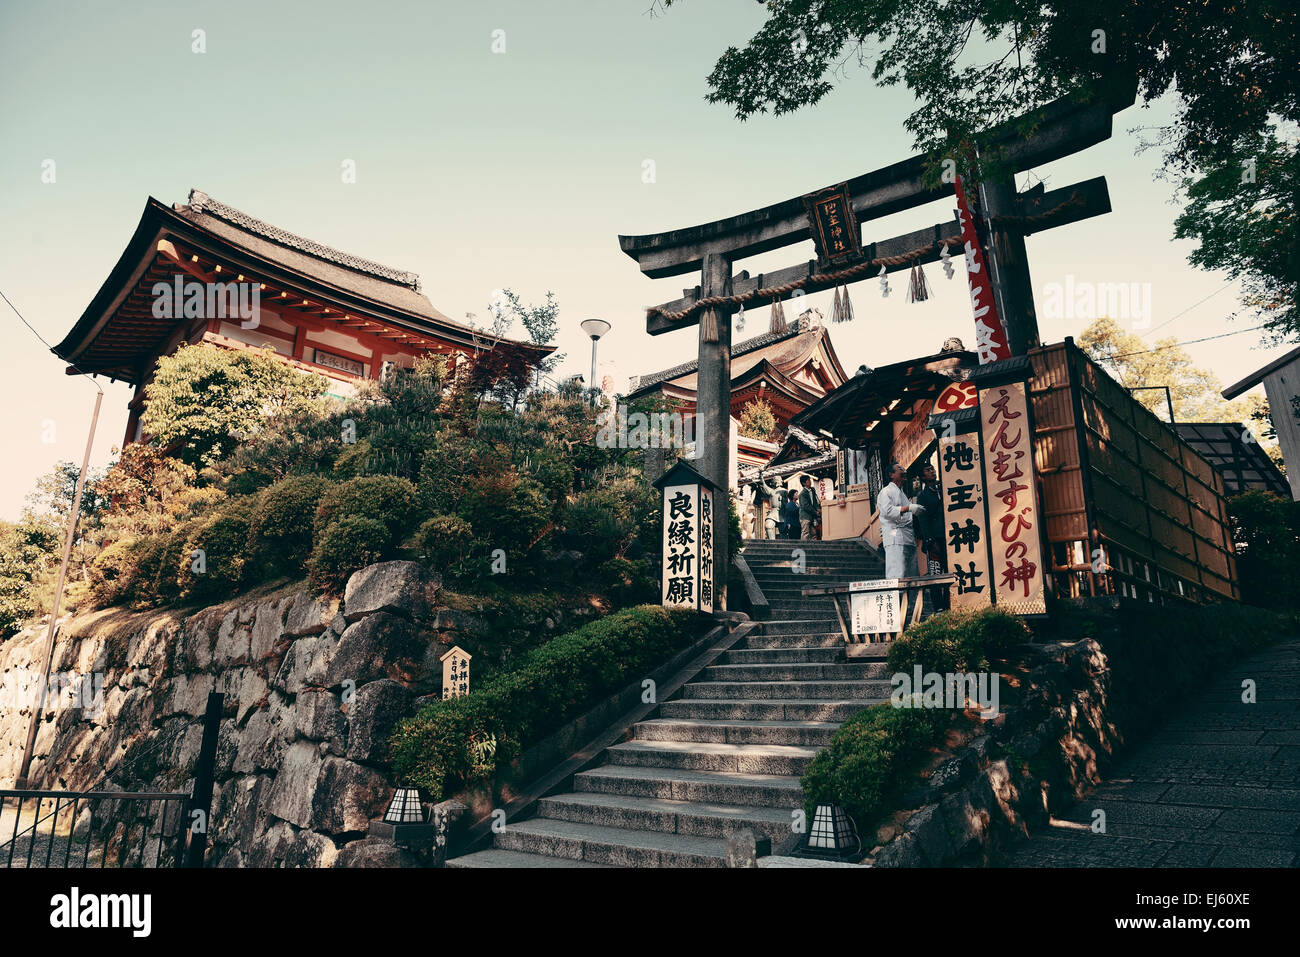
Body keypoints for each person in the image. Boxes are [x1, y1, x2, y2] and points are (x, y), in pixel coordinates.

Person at [876, 461, 923, 579]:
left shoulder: (902, 493)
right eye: (899, 469)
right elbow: (887, 511)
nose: (903, 470)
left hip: (908, 536)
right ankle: (896, 598)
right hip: (894, 537)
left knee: (912, 575)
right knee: (897, 574)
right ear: (891, 474)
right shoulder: (885, 491)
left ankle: (912, 598)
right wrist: (908, 508)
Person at [915, 462, 944, 575]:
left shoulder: (944, 488)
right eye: (928, 470)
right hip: (935, 540)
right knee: (935, 574)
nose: (932, 471)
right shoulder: (922, 496)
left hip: (950, 536)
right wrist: (931, 541)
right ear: (923, 477)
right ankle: (936, 593)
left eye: (932, 469)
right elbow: (923, 521)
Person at [797, 474, 821, 540]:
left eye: (809, 480)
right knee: (805, 533)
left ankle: (814, 548)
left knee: (813, 533)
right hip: (805, 517)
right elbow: (805, 506)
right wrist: (815, 512)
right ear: (804, 483)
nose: (810, 482)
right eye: (808, 481)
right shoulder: (802, 494)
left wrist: (818, 509)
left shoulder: (812, 490)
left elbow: (815, 501)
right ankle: (804, 547)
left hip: (812, 516)